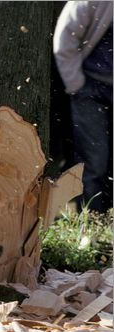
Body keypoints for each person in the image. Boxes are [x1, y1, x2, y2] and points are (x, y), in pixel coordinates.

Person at [54, 1, 113, 213]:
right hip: (90, 90)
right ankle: (89, 225)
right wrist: (77, 85)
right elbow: (65, 39)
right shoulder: (89, 2)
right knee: (93, 161)